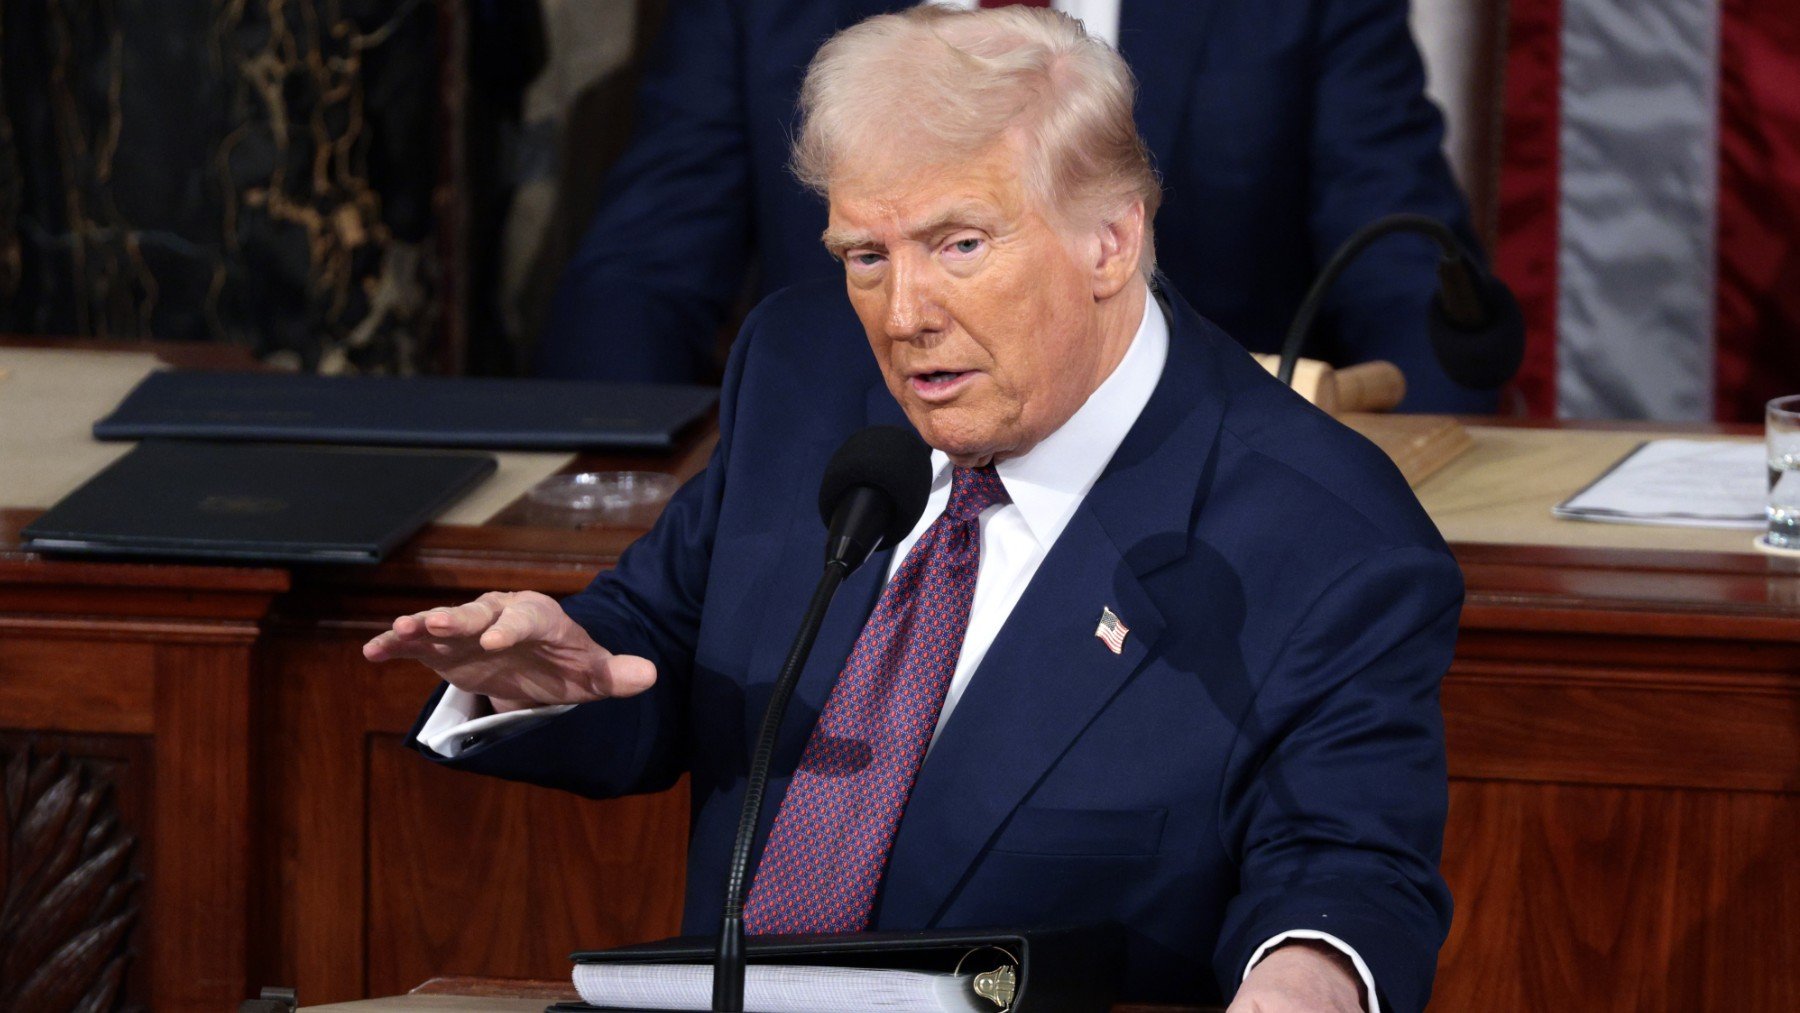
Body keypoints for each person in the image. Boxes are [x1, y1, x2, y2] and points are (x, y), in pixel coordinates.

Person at [366, 8, 1459, 1010]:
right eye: (866, 256)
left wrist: (1304, 975)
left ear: (1111, 240)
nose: (904, 314)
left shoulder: (1326, 536)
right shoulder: (803, 375)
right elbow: (656, 643)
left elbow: (1347, 864)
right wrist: (552, 672)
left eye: (960, 245)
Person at [535, 0, 1497, 413]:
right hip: (865, 516)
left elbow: (1414, 292)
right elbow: (638, 277)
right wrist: (616, 505)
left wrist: (1378, 499)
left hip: (1210, 530)